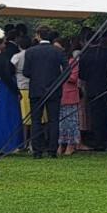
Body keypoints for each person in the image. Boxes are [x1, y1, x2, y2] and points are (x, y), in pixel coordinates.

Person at [22, 26, 68, 158]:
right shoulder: (57, 51)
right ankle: (53, 150)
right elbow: (67, 69)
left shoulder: (30, 52)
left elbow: (26, 72)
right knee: (54, 120)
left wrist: (36, 77)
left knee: (36, 121)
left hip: (36, 89)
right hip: (54, 89)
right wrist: (59, 82)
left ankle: (37, 150)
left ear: (38, 35)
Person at [57, 37, 82, 157]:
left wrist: (62, 72)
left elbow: (73, 78)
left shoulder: (73, 61)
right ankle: (60, 144)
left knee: (70, 121)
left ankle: (70, 145)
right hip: (58, 95)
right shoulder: (54, 61)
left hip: (70, 94)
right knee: (60, 122)